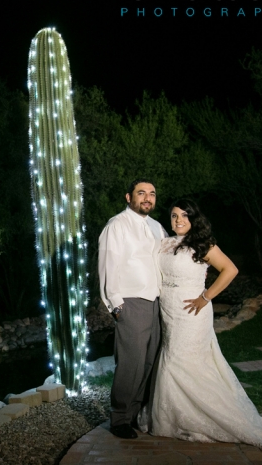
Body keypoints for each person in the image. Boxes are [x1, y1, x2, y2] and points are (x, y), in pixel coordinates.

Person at [139, 199, 262, 447]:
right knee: (171, 356)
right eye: (174, 216)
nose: (178, 220)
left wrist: (205, 297)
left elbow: (230, 270)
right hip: (168, 309)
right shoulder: (164, 243)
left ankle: (201, 415)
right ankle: (171, 416)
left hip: (192, 311)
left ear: (194, 218)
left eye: (184, 216)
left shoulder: (203, 244)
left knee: (182, 359)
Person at [98, 178, 168, 439]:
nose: (147, 198)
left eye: (152, 193)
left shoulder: (157, 226)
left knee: (149, 361)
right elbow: (107, 267)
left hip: (156, 303)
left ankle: (136, 414)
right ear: (129, 197)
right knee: (130, 363)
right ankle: (119, 419)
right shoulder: (117, 225)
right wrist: (117, 308)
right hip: (131, 302)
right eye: (142, 193)